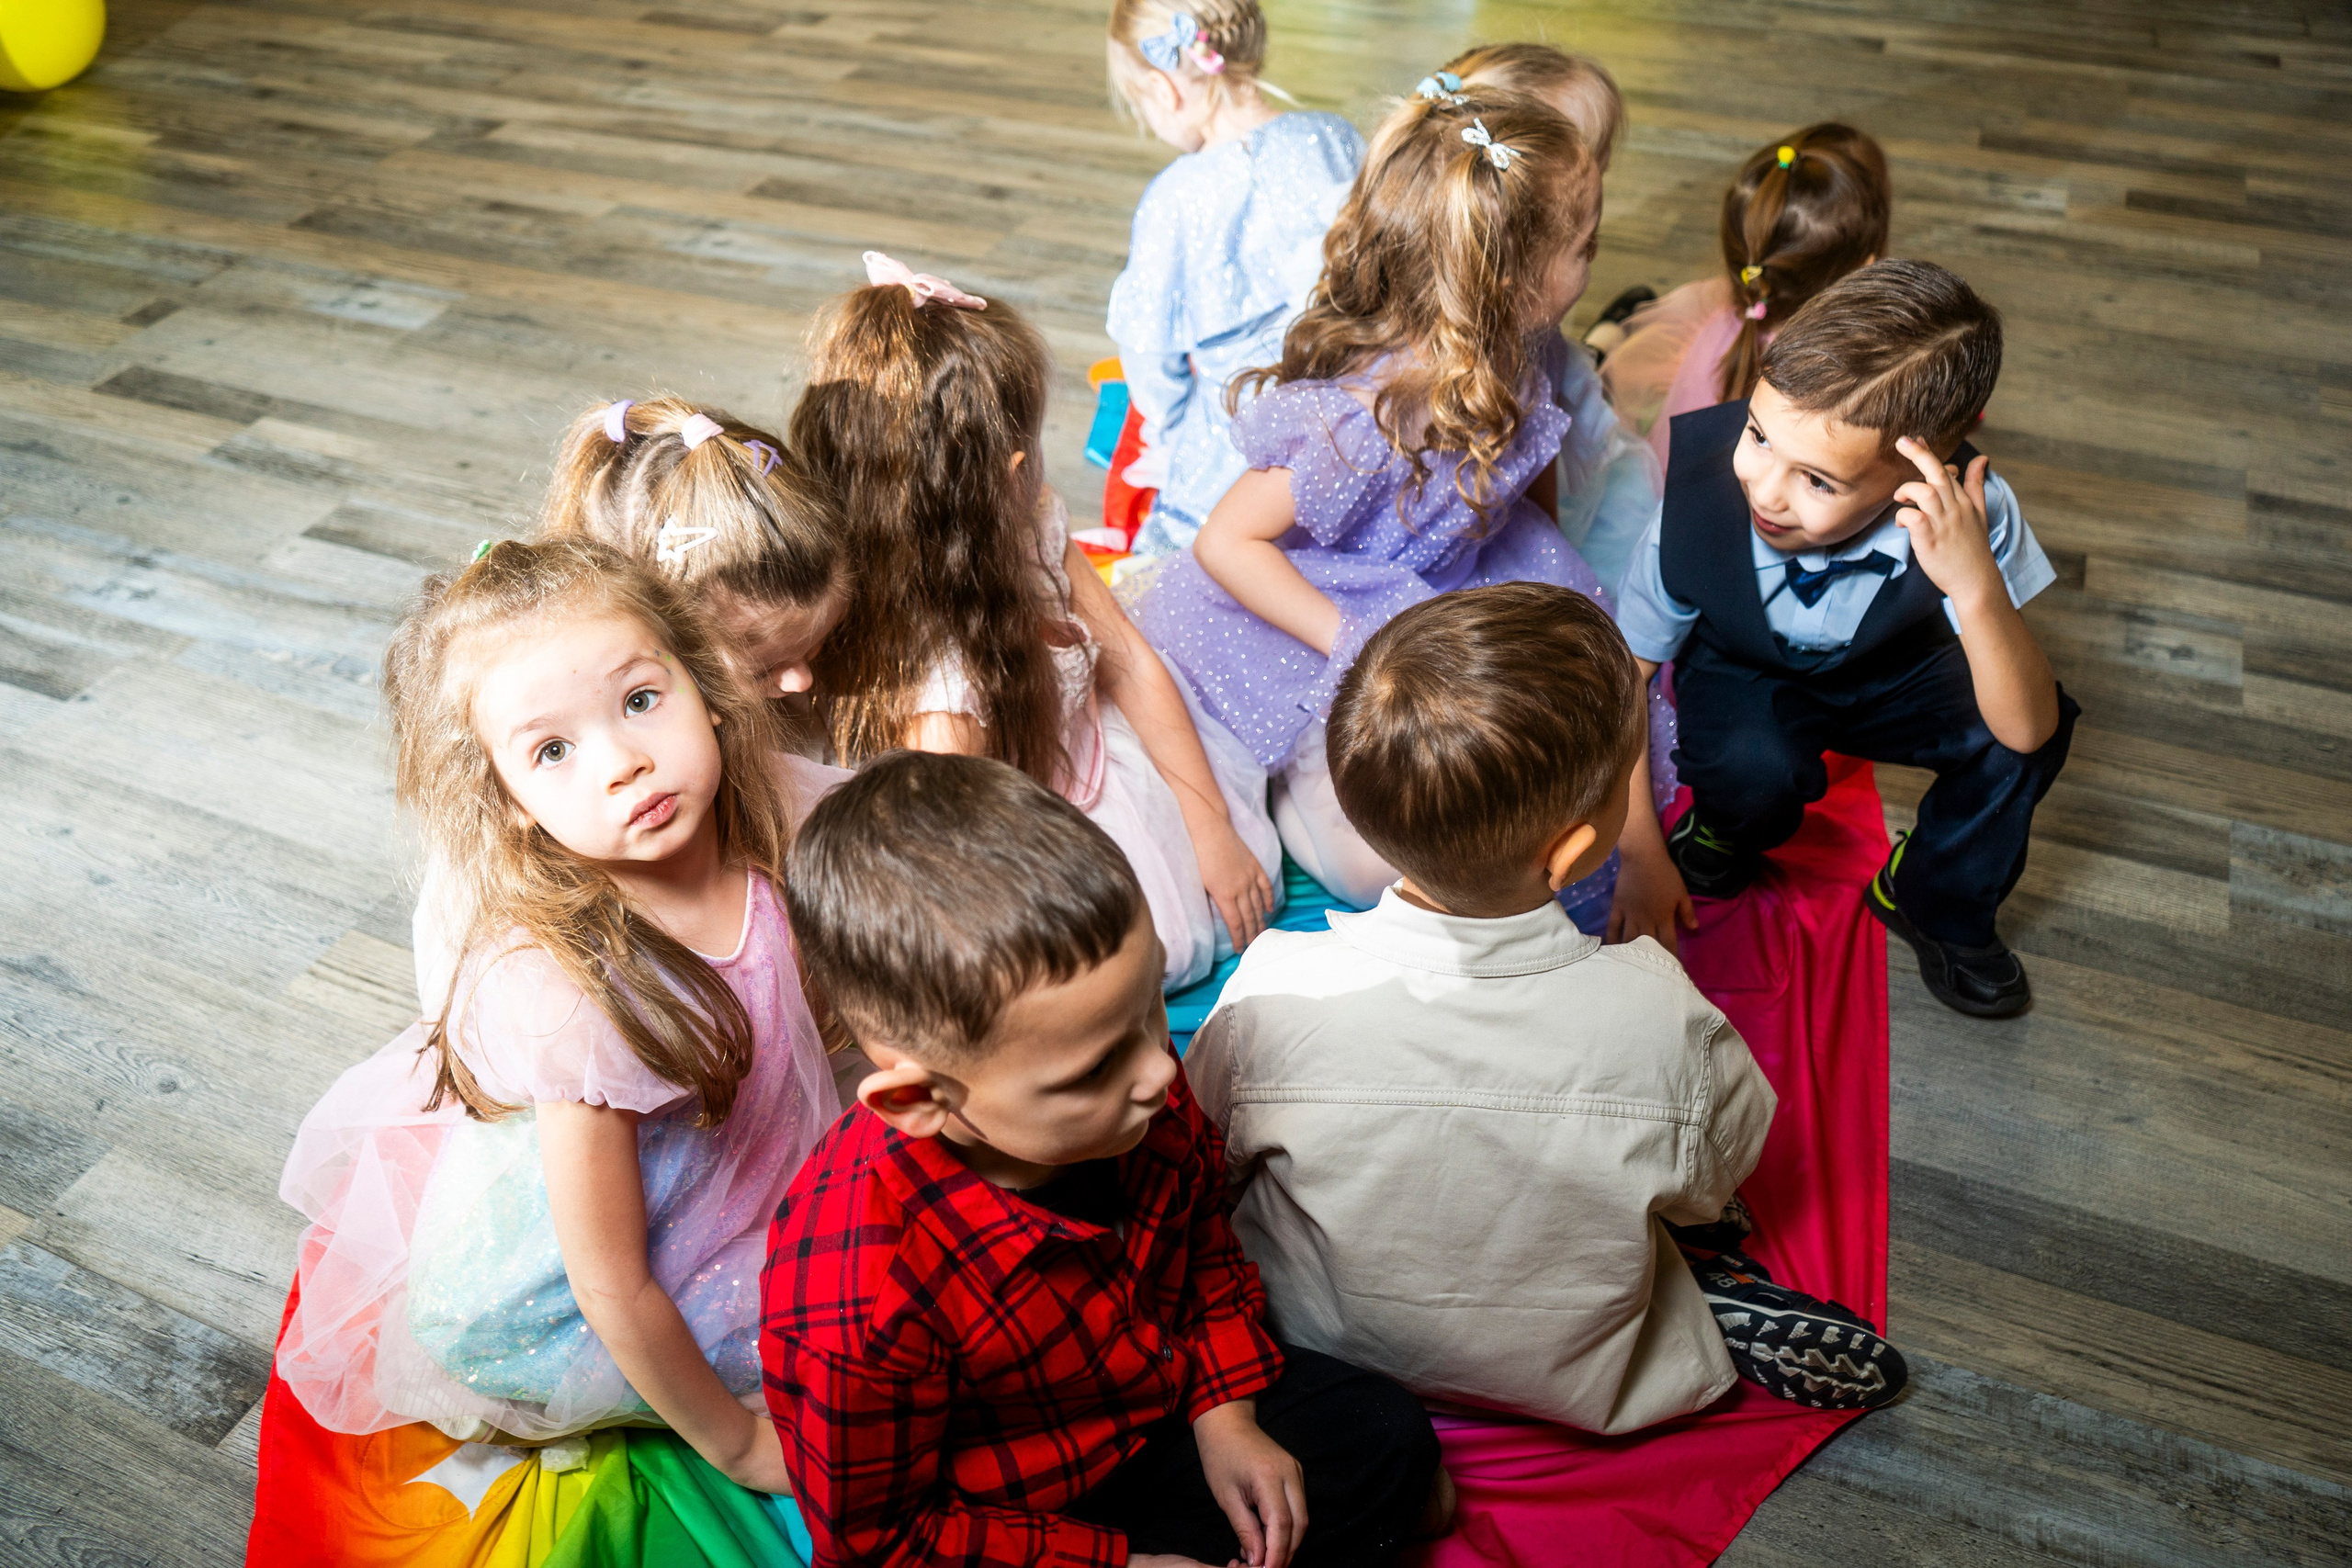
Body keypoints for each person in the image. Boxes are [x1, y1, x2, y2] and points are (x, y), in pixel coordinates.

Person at [1188, 583, 1910, 1427]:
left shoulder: (1267, 986)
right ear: (1572, 851)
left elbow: (1209, 1162)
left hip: (1320, 1336)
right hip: (1579, 1368)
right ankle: (1705, 1292)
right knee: (1669, 1179)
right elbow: (1717, 1179)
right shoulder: (1661, 1015)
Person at [762, 751, 1449, 1568]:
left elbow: (1203, 1252)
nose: (1161, 1069)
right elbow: (888, 1541)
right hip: (1018, 1518)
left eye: (1151, 1003)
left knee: (1391, 1442)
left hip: (1156, 1408)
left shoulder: (1133, 1083)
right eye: (1093, 1068)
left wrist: (1224, 1414)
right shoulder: (858, 1301)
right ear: (921, 1101)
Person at [277, 538, 837, 1496]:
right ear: (511, 802)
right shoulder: (577, 999)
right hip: (580, 1297)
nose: (623, 761)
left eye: (639, 700)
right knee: (851, 1325)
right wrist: (740, 1447)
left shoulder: (771, 822)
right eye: (553, 750)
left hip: (736, 1169)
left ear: (702, 686)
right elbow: (611, 1281)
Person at [1128, 84, 1673, 918]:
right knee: (1373, 866)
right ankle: (1290, 793)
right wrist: (1351, 638)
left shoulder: (1527, 343)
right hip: (1326, 616)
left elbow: (1533, 468)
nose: (1594, 264)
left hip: (1460, 569)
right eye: (1585, 247)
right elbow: (1226, 543)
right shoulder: (1365, 420)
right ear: (1510, 277)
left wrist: (1539, 593)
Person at [793, 255, 1282, 990]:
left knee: (1235, 838)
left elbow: (1132, 664)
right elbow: (964, 867)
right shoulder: (944, 698)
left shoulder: (1034, 518)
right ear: (1008, 471)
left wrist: (1209, 823)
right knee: (1147, 949)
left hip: (1091, 746)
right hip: (1021, 832)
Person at [1612, 260, 2077, 1017]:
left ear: (1912, 477)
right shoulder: (1699, 503)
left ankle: (1929, 894)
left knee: (2025, 735)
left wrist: (1972, 581)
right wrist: (1639, 850)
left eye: (1817, 481)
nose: (1763, 489)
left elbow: (2026, 728)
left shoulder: (1972, 513)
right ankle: (1729, 827)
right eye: (1758, 434)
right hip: (1748, 669)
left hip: (1899, 673)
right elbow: (1621, 679)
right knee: (1747, 761)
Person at [409, 397, 854, 1020]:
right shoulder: (514, 923)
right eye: (761, 663)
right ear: (673, 642)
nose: (801, 680)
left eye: (815, 645)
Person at [1104, 0, 1363, 558]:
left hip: (1233, 447)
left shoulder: (1175, 198)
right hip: (1349, 419)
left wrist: (1170, 435)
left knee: (1181, 560)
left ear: (1166, 91)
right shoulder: (1335, 137)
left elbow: (1149, 349)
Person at [1444, 42, 1665, 590]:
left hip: (1557, 419)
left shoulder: (1530, 323)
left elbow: (1547, 504)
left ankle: (1605, 336)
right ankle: (1609, 334)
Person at [1600, 123, 1890, 471]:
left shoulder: (1722, 330)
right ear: (1864, 267)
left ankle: (1603, 339)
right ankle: (1599, 342)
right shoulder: (1850, 370)